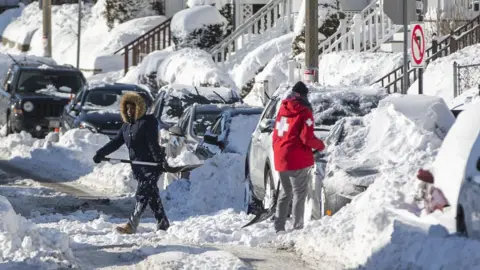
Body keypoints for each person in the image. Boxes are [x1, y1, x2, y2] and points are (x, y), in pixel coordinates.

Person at [93, 92, 170, 234]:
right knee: (152, 196)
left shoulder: (148, 122)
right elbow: (115, 142)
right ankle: (162, 222)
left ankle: (131, 225)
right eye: (128, 108)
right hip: (138, 168)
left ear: (141, 107)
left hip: (151, 166)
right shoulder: (126, 127)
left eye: (133, 108)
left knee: (142, 194)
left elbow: (153, 144)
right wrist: (101, 153)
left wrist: (160, 161)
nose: (130, 111)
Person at [272, 81, 325, 234]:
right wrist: (321, 146)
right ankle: (297, 227)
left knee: (285, 191)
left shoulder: (282, 109)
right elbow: (306, 138)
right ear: (304, 95)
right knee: (299, 193)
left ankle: (279, 226)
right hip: (296, 157)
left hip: (281, 155)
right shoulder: (305, 112)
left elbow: (276, 133)